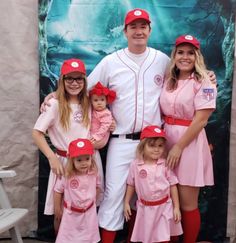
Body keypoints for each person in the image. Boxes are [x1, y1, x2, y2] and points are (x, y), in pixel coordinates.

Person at [41, 9, 216, 243]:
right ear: (125, 31)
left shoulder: (163, 60)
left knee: (152, 194)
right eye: (133, 26)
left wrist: (208, 76)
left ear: (150, 30)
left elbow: (185, 74)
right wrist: (54, 94)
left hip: (153, 142)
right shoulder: (111, 61)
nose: (138, 31)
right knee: (113, 196)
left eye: (143, 26)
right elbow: (84, 86)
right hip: (120, 141)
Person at [32, 58, 104, 233]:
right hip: (64, 163)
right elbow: (37, 133)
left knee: (87, 207)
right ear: (62, 80)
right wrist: (51, 158)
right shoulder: (55, 105)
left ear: (84, 81)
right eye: (69, 78)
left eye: (79, 78)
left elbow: (106, 108)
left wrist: (110, 125)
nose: (74, 83)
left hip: (89, 161)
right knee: (62, 212)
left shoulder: (89, 102)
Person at [160, 35, 217, 243]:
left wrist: (178, 148)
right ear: (174, 55)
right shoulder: (168, 80)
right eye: (181, 52)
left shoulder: (206, 83)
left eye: (191, 53)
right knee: (167, 199)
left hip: (189, 144)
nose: (185, 57)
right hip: (165, 141)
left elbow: (201, 120)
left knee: (186, 204)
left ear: (197, 56)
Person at [124, 125, 183, 243]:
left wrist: (176, 207)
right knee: (148, 238)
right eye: (152, 145)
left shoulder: (165, 164)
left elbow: (172, 185)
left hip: (164, 208)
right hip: (145, 210)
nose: (156, 149)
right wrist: (126, 202)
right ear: (142, 146)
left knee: (163, 238)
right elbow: (131, 184)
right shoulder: (136, 165)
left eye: (160, 146)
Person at [54, 138, 101, 243]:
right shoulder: (67, 175)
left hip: (89, 214)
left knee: (89, 238)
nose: (84, 163)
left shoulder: (94, 174)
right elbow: (58, 191)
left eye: (87, 159)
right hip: (71, 215)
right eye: (79, 160)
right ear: (72, 160)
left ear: (91, 158)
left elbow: (98, 187)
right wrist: (57, 208)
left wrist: (92, 201)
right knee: (69, 238)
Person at [89, 81, 116, 149]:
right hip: (93, 134)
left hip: (100, 138)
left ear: (106, 101)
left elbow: (104, 127)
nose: (99, 103)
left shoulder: (106, 113)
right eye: (96, 100)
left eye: (102, 100)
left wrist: (96, 137)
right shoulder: (93, 111)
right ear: (91, 102)